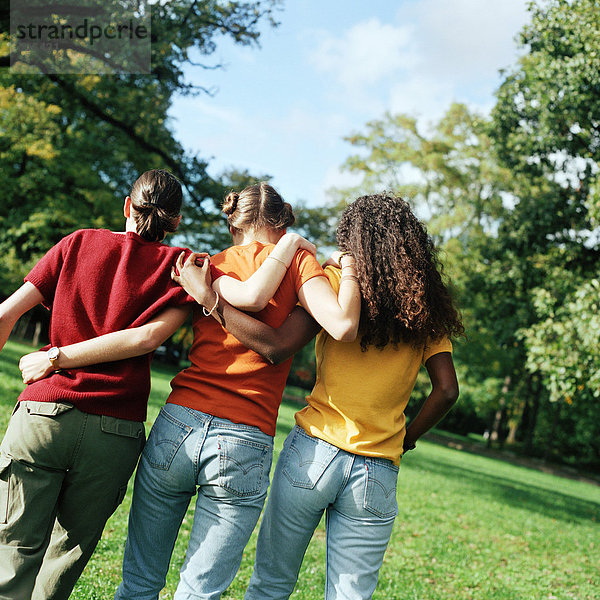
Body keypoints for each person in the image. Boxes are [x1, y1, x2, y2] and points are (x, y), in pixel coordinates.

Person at [19, 182, 362, 600]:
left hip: (178, 424)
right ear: (282, 218)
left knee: (140, 582)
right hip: (245, 434)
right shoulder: (300, 265)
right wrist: (339, 265)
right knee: (199, 591)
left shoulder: (204, 265)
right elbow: (336, 324)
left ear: (232, 221)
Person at [239, 193, 464, 600]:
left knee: (270, 585)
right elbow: (447, 390)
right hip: (377, 469)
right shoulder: (423, 308)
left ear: (352, 239)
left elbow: (279, 342)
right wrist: (407, 436)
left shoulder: (333, 281)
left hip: (313, 453)